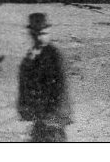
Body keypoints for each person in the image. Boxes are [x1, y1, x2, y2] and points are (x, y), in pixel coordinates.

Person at [16, 12, 72, 142]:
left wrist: (51, 114)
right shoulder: (33, 54)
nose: (39, 38)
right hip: (41, 117)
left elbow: (59, 87)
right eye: (35, 34)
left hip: (53, 117)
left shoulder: (53, 55)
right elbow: (25, 83)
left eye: (43, 34)